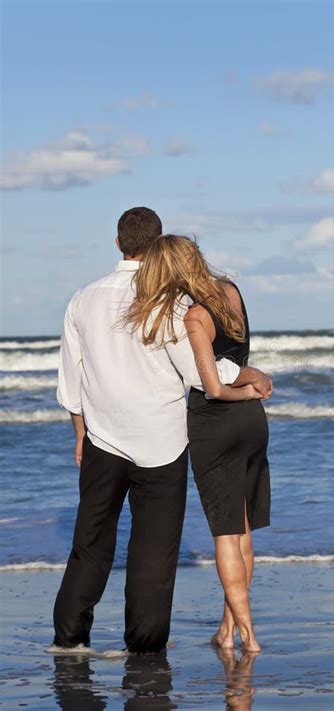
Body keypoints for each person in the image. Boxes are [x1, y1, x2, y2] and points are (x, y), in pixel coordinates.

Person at [52, 208, 271, 654]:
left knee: (90, 542)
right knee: (154, 549)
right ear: (159, 248)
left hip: (102, 439)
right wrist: (249, 376)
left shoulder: (83, 297)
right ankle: (145, 644)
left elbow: (70, 380)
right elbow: (199, 375)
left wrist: (79, 432)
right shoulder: (171, 303)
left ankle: (70, 639)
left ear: (117, 244)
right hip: (163, 442)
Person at [126, 235, 271, 653]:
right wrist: (253, 382)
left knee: (225, 534)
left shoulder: (192, 315)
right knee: (242, 532)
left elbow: (212, 387)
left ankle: (249, 637)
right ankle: (226, 629)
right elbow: (239, 361)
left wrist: (243, 389)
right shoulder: (231, 292)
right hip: (253, 426)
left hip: (216, 426)